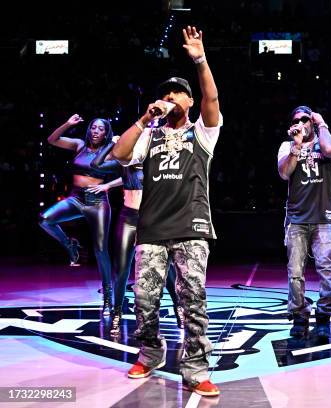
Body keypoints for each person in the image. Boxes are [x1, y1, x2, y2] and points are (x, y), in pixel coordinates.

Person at [113, 26, 221, 397]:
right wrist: (144, 119)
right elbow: (120, 155)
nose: (170, 97)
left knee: (193, 301)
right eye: (165, 93)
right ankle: (151, 352)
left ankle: (195, 369)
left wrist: (200, 60)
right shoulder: (150, 134)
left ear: (188, 102)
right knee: (144, 299)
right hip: (153, 228)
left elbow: (212, 98)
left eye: (177, 92)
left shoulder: (203, 132)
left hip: (191, 227)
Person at [91, 142, 184, 336]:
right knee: (122, 269)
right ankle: (117, 313)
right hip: (128, 218)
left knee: (166, 270)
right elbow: (96, 164)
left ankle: (178, 308)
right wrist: (112, 144)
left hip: (153, 219)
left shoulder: (157, 159)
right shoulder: (125, 161)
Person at [39, 115, 121, 315]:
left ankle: (108, 297)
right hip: (75, 199)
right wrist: (67, 124)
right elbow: (52, 140)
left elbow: (130, 172)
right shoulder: (79, 145)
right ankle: (71, 246)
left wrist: (107, 186)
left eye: (100, 129)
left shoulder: (110, 151)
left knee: (101, 250)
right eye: (93, 127)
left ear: (106, 133)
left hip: (97, 202)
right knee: (45, 219)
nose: (95, 131)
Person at [277, 105, 331, 339]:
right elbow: (284, 173)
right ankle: (300, 316)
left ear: (312, 122)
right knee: (295, 272)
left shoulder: (328, 139)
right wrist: (296, 146)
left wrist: (321, 123)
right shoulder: (287, 146)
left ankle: (324, 316)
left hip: (324, 216)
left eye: (305, 119)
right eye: (297, 119)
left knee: (326, 268)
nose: (301, 122)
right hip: (296, 218)